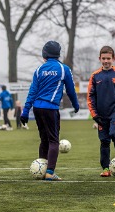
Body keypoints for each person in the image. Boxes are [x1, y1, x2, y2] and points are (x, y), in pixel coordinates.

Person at [20, 41, 80, 181]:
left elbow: (32, 92)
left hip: (37, 108)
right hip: (50, 108)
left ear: (44, 55)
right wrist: (76, 105)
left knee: (44, 139)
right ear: (58, 54)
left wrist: (25, 112)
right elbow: (70, 90)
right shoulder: (63, 69)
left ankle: (41, 168)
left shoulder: (39, 70)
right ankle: (50, 172)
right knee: (54, 140)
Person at [87, 45, 115, 177]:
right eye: (103, 58)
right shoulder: (95, 76)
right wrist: (94, 115)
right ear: (100, 59)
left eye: (108, 58)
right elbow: (90, 97)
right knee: (104, 140)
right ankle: (106, 168)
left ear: (113, 59)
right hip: (101, 114)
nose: (106, 61)